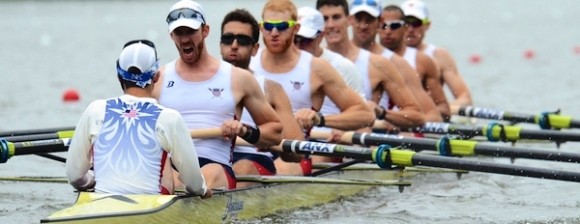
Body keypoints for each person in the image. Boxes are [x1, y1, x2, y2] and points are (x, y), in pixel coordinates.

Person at [154, 0, 283, 190]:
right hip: (172, 167)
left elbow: (275, 132)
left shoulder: (238, 78)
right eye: (179, 33)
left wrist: (244, 130)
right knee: (159, 170)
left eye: (190, 31)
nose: (184, 39)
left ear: (205, 31)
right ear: (171, 35)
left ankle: (182, 193)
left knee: (210, 173)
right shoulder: (159, 78)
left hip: (216, 169)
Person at [67, 40, 211, 198]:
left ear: (118, 76)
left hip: (100, 203)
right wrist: (203, 190)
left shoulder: (95, 110)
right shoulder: (170, 118)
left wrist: (93, 181)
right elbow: (194, 183)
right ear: (156, 76)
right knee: (165, 162)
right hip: (151, 209)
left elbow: (74, 176)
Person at [250, 0, 375, 172]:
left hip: (296, 153)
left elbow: (365, 115)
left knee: (271, 170)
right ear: (261, 27)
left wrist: (320, 119)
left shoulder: (317, 68)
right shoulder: (249, 63)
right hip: (251, 146)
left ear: (295, 28)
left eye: (282, 26)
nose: (274, 33)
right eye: (268, 26)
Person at [219, 9, 305, 180]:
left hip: (251, 160)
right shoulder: (201, 82)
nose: (234, 45)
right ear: (220, 44)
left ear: (255, 49)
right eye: (228, 38)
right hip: (212, 159)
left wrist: (264, 140)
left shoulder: (271, 89)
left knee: (241, 169)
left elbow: (297, 153)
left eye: (243, 40)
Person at [316, 0, 425, 132]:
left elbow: (417, 117)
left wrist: (383, 113)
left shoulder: (379, 64)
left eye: (336, 17)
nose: (331, 25)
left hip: (356, 145)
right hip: (315, 141)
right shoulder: (310, 61)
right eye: (325, 19)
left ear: (348, 20)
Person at [347, 0, 442, 123]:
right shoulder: (329, 58)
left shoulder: (397, 64)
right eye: (358, 19)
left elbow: (431, 116)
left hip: (379, 134)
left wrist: (390, 117)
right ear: (349, 20)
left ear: (378, 22)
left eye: (369, 20)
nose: (363, 26)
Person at [379, 4, 451, 121]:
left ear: (404, 28)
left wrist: (407, 120)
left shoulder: (421, 61)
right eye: (383, 26)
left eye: (395, 26)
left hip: (406, 128)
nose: (388, 31)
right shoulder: (366, 58)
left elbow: (443, 110)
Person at [401, 0, 473, 109]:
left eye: (416, 23)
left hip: (430, 119)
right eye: (406, 23)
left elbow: (465, 98)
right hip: (395, 119)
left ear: (427, 25)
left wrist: (439, 108)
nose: (410, 29)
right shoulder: (385, 55)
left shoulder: (439, 55)